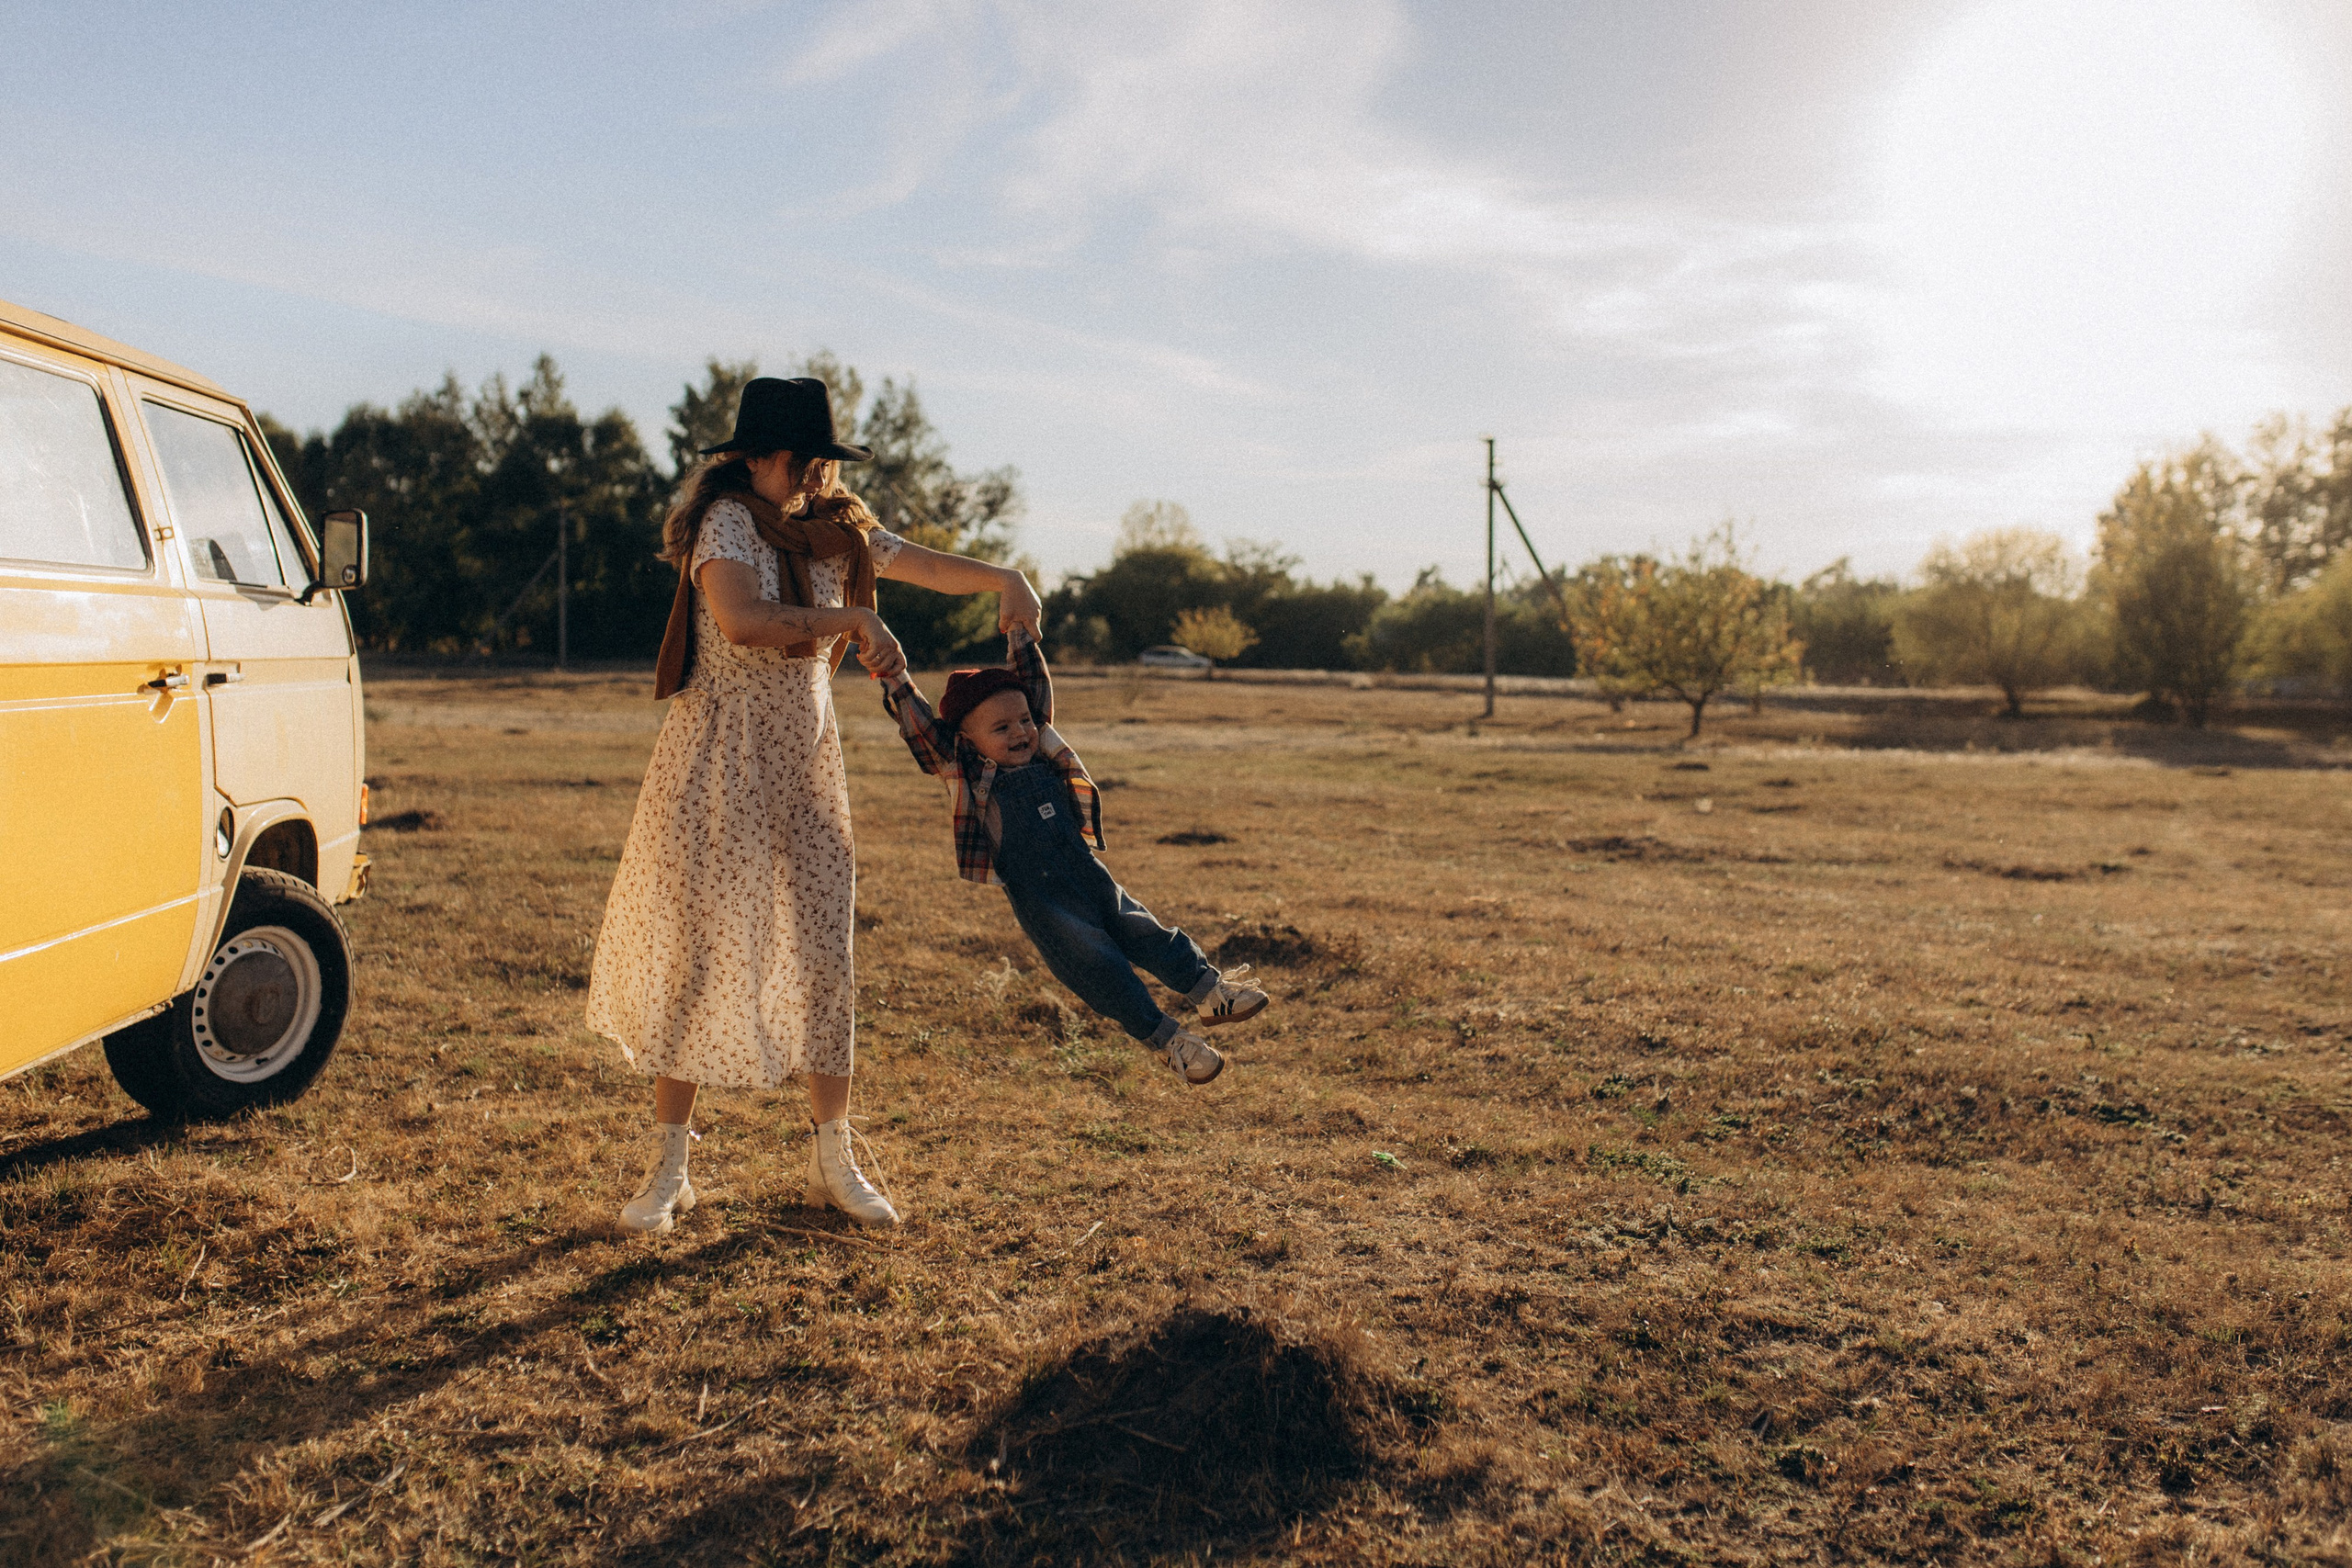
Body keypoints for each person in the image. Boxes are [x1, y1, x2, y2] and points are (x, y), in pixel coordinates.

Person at [585, 377, 1040, 1235]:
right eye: (800, 462)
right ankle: (670, 1169)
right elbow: (745, 618)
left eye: (822, 463)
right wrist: (853, 618)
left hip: (805, 768)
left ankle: (834, 1157)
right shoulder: (725, 524)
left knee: (826, 954)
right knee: (696, 954)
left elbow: (924, 563)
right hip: (718, 764)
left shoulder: (839, 528)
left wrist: (1002, 576)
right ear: (754, 457)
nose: (812, 479)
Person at [880, 624, 1268, 1083]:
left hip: (1087, 873)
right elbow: (922, 729)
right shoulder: (965, 770)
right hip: (1043, 900)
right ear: (967, 740)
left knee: (1145, 929)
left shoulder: (1042, 750)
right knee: (1098, 966)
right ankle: (1170, 1042)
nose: (1021, 732)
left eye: (1024, 720)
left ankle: (1209, 992)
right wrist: (894, 676)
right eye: (1001, 728)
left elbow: (1035, 689)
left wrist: (1021, 632)